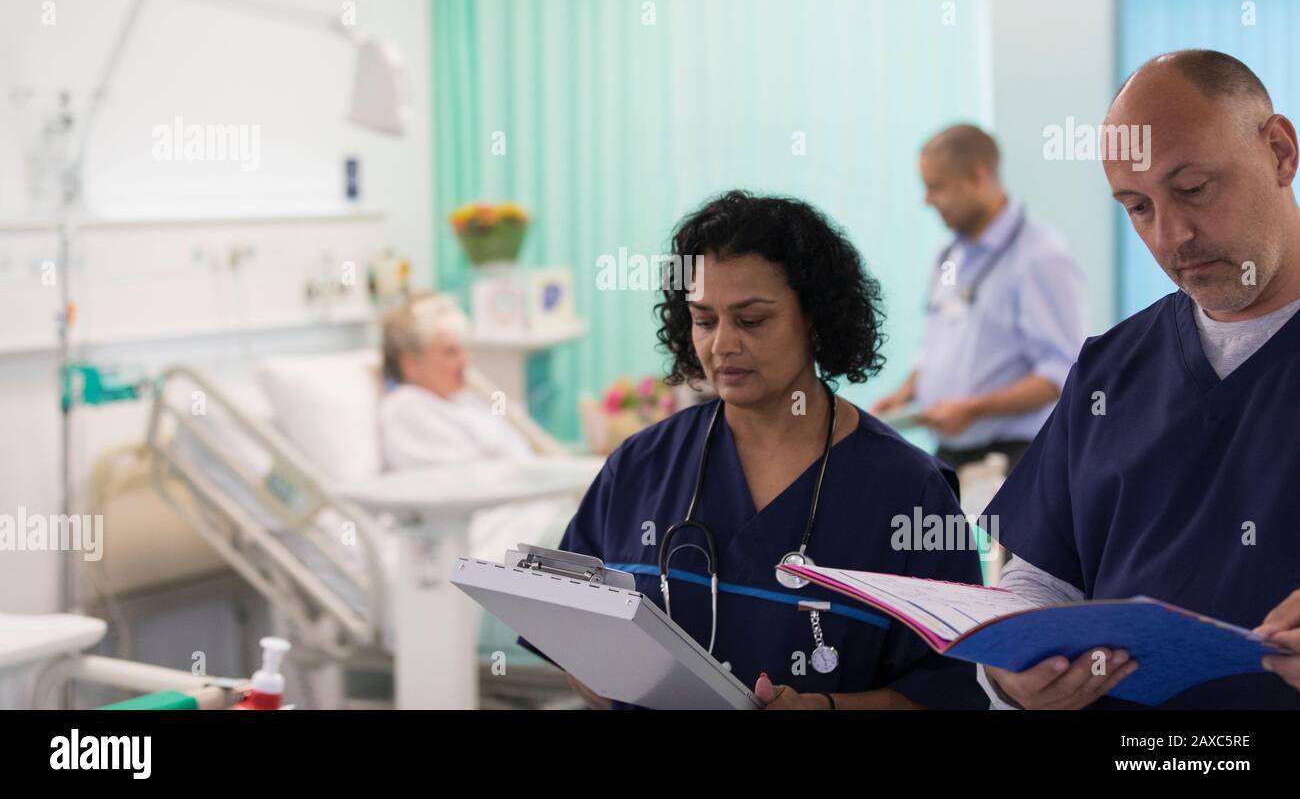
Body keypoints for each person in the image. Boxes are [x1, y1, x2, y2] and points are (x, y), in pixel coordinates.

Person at [520, 191, 988, 709]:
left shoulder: (909, 492)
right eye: (704, 320)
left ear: (815, 319)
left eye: (752, 320)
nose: (721, 344)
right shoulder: (640, 466)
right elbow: (571, 624)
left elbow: (948, 692)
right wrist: (598, 677)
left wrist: (823, 708)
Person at [979, 50, 1300, 709]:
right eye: (1137, 206)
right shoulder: (1110, 370)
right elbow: (1042, 575)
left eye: (1192, 188)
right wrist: (1008, 667)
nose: (1171, 235)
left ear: (1279, 151)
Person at [872, 124, 1087, 479]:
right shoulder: (949, 253)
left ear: (977, 177)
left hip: (1013, 460)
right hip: (951, 456)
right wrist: (904, 395)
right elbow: (936, 346)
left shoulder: (1040, 258)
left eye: (935, 187)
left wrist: (974, 409)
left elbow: (1062, 372)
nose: (926, 200)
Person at [378, 293, 532, 470]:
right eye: (451, 352)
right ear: (410, 364)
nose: (465, 360)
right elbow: (467, 481)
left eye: (463, 349)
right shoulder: (405, 408)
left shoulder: (462, 401)